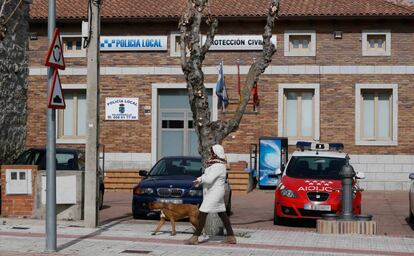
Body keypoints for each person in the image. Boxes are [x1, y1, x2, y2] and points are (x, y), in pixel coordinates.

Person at [185, 144, 236, 245]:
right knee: (222, 213)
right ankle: (231, 237)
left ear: (216, 153)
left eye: (212, 152)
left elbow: (209, 179)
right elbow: (206, 175)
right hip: (214, 191)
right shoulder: (215, 164)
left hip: (215, 192)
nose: (210, 153)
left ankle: (195, 237)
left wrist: (201, 179)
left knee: (203, 212)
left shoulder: (219, 166)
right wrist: (199, 180)